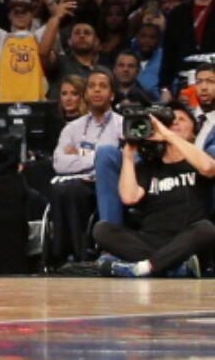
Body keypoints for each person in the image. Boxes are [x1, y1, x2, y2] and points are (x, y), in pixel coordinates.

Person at [93, 105, 215, 277]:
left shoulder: (199, 161)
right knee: (102, 230)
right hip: (151, 241)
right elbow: (129, 197)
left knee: (206, 228)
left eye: (181, 120)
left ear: (194, 133)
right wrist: (128, 155)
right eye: (170, 122)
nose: (174, 124)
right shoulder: (148, 166)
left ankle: (144, 268)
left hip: (187, 239)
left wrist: (168, 135)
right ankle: (172, 268)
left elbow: (209, 168)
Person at [47, 68, 124, 267]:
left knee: (73, 190)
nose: (97, 91)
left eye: (103, 87)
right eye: (92, 86)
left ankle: (81, 254)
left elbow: (119, 160)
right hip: (75, 182)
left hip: (106, 186)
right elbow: (59, 163)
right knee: (61, 189)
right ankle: (62, 255)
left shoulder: (121, 126)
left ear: (112, 94)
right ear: (86, 95)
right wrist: (96, 158)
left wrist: (79, 155)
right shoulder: (72, 128)